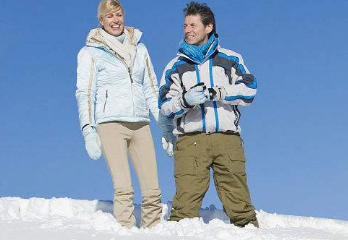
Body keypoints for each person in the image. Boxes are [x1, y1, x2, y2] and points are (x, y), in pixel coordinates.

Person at [158, 2, 259, 227]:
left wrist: (219, 92)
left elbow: (250, 90)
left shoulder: (230, 59)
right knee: (184, 206)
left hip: (227, 139)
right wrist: (185, 100)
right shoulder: (175, 66)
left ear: (209, 27)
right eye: (185, 25)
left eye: (193, 25)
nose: (188, 30)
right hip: (191, 141)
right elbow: (164, 105)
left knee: (239, 204)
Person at [75, 0, 172, 228]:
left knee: (152, 190)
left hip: (140, 123)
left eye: (118, 15)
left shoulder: (140, 48)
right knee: (124, 188)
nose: (115, 20)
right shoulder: (90, 52)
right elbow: (85, 93)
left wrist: (165, 126)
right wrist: (88, 130)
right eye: (109, 16)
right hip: (110, 125)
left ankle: (153, 235)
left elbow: (151, 89)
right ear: (101, 21)